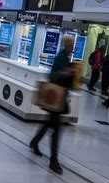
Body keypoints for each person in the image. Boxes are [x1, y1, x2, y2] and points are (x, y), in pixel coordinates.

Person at [29, 35, 75, 175]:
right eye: (71, 44)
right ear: (67, 45)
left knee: (50, 123)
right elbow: (53, 76)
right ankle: (53, 160)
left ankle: (35, 141)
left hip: (58, 99)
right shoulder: (61, 58)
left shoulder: (65, 57)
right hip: (56, 98)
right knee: (56, 130)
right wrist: (67, 72)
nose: (73, 47)